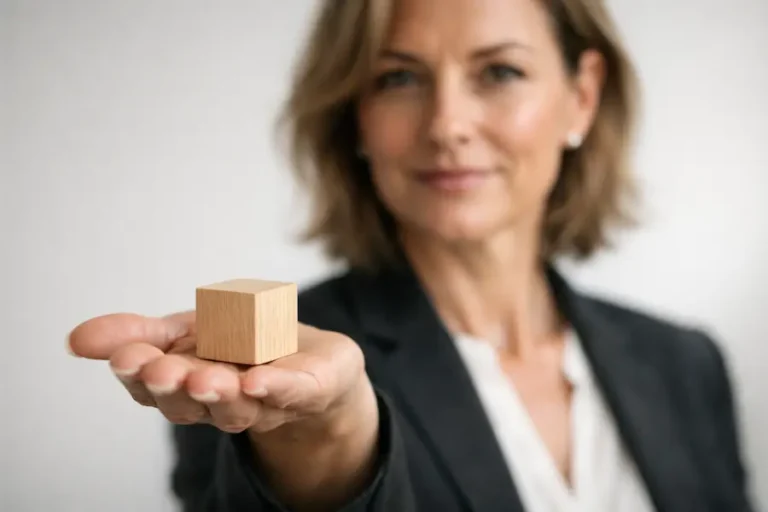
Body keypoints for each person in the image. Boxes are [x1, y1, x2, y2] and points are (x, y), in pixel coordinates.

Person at [67, 0, 755, 510]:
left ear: (580, 98)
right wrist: (326, 443)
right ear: (356, 117)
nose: (448, 125)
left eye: (500, 72)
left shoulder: (685, 364)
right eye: (399, 79)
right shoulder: (260, 372)